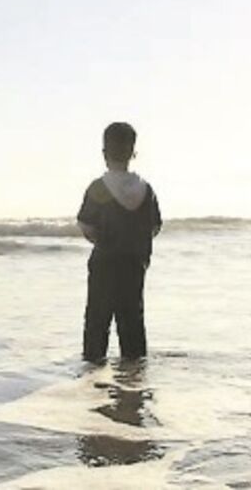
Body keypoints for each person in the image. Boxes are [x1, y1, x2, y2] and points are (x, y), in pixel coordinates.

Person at [76, 122, 162, 362]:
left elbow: (86, 224)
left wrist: (100, 239)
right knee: (132, 319)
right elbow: (154, 226)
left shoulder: (99, 188)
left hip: (104, 261)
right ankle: (134, 371)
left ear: (104, 153)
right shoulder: (145, 190)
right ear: (133, 153)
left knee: (97, 320)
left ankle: (93, 370)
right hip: (134, 262)